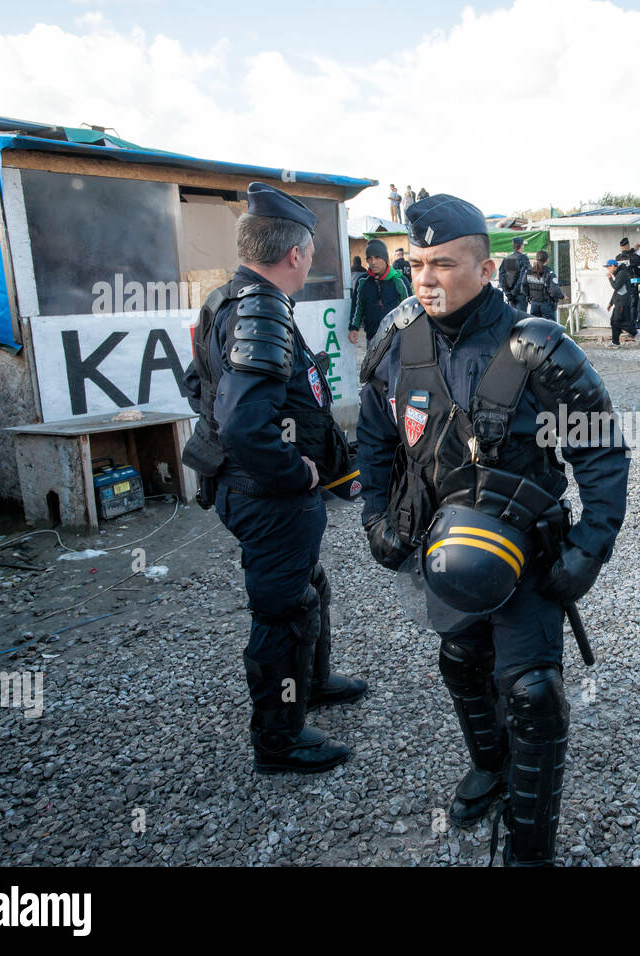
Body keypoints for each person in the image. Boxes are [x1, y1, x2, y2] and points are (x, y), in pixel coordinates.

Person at [355, 194, 629, 865]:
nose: (426, 278)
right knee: (460, 661)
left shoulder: (536, 350)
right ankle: (490, 765)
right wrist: (373, 515)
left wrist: (591, 547)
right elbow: (373, 438)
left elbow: (602, 451)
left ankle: (529, 850)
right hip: (441, 548)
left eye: (443, 264)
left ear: (484, 268)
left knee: (533, 695)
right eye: (417, 263)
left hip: (526, 553)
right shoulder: (397, 343)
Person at [179, 182, 367, 775]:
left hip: (253, 489)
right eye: (311, 250)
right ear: (296, 254)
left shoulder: (227, 299)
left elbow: (198, 386)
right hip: (269, 493)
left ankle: (311, 685)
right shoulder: (260, 309)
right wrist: (295, 470)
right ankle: (279, 740)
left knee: (309, 588)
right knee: (284, 614)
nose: (311, 259)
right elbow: (239, 423)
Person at [349, 238, 411, 346]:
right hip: (372, 338)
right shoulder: (363, 281)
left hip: (396, 339)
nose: (373, 262)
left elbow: (409, 309)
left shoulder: (399, 280)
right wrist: (353, 328)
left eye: (377, 257)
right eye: (369, 258)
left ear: (385, 258)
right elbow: (357, 307)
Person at [523, 249, 564, 319]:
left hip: (534, 304)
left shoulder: (529, 271)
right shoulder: (549, 273)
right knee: (549, 327)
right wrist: (562, 296)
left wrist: (529, 296)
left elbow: (523, 286)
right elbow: (554, 290)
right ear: (547, 260)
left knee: (536, 327)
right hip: (546, 305)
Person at [604, 258, 635, 347]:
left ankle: (635, 332)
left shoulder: (622, 274)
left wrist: (610, 278)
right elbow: (617, 291)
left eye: (608, 267)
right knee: (614, 321)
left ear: (613, 266)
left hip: (622, 302)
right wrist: (611, 303)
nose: (608, 269)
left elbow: (616, 287)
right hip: (619, 302)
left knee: (618, 322)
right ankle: (615, 342)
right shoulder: (619, 274)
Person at [618, 238, 640, 331]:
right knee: (633, 305)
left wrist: (632, 250)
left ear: (621, 247)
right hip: (632, 285)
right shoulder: (632, 257)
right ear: (627, 245)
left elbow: (627, 257)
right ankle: (631, 324)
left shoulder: (618, 258)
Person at [498, 237, 531, 312]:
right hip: (520, 294)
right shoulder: (523, 258)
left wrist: (507, 293)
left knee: (512, 319)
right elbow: (523, 277)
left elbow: (501, 278)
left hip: (510, 296)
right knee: (521, 320)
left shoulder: (506, 259)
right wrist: (514, 292)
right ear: (521, 246)